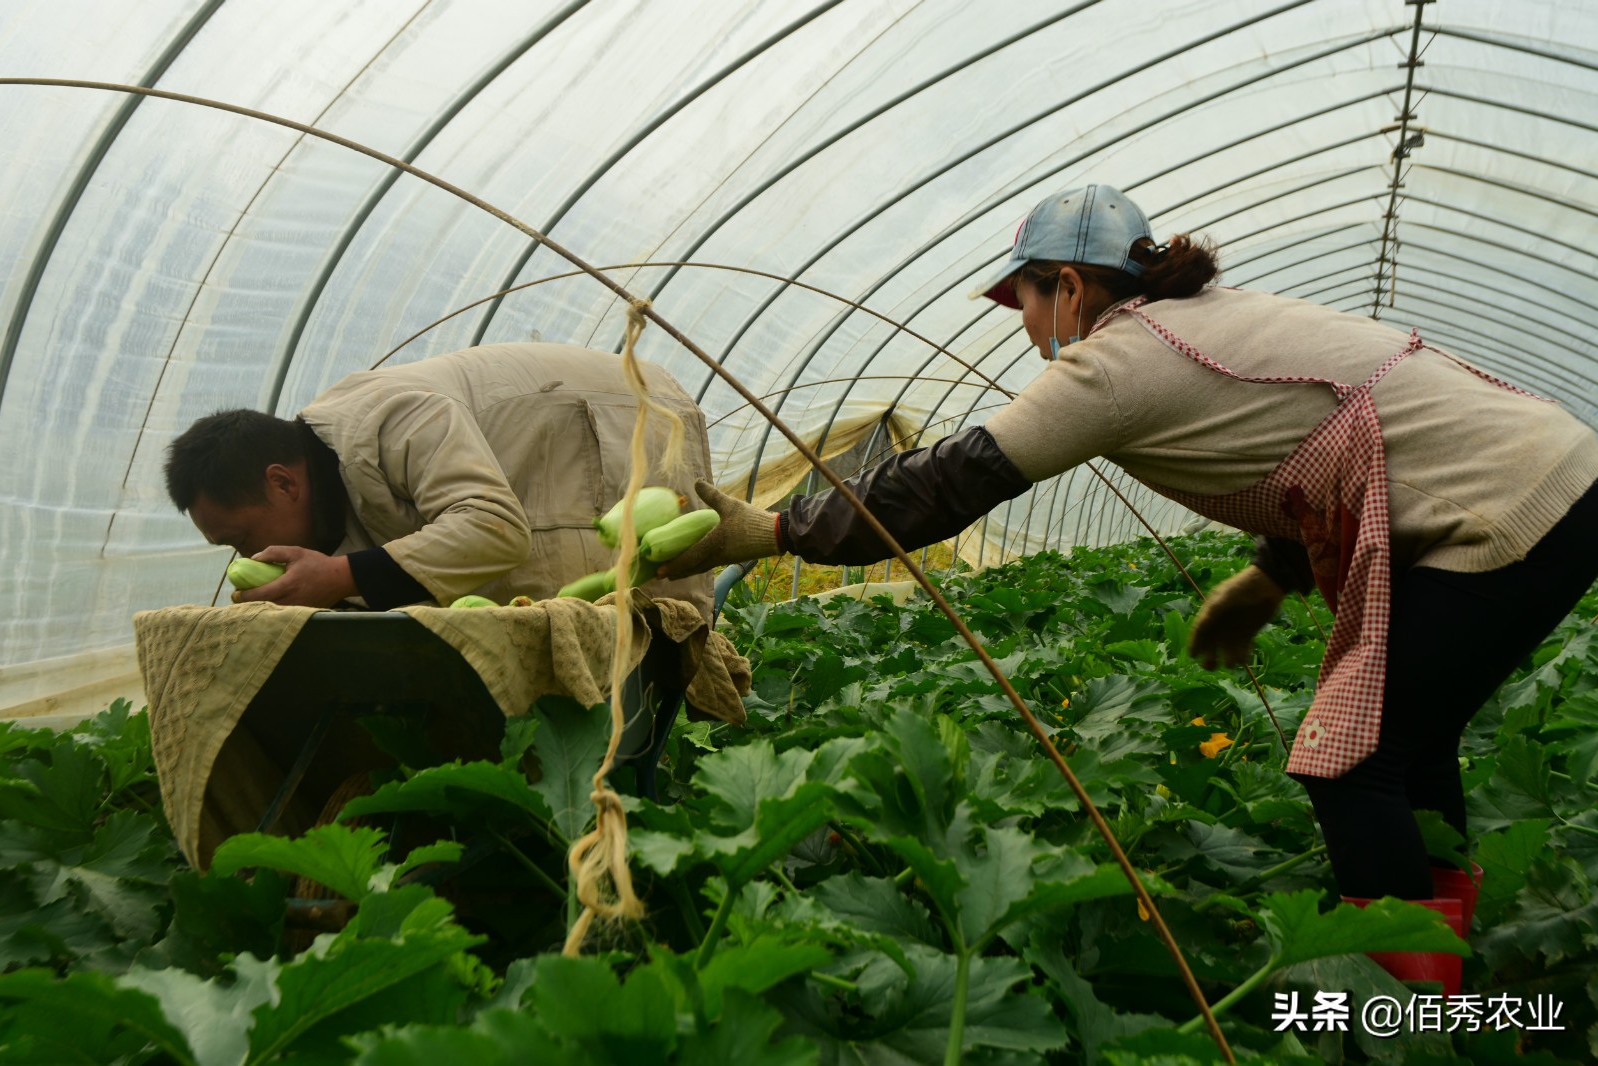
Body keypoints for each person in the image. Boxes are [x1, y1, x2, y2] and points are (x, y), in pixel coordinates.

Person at [660, 184, 1598, 987]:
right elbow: (1324, 442)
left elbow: (951, 481)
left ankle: (1404, 1021)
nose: (1022, 321)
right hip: (1556, 481)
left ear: (1068, 287)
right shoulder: (1199, 324)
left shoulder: (1119, 361)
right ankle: (1441, 972)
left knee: (1353, 761)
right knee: (1407, 746)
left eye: (1022, 297)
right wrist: (1270, 576)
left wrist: (777, 529)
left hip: (1504, 506)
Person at [165, 341, 715, 619]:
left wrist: (338, 576)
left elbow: (494, 527)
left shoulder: (390, 420)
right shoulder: (329, 476)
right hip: (570, 439)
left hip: (638, 417)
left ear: (283, 484)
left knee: (648, 607)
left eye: (241, 538)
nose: (246, 554)